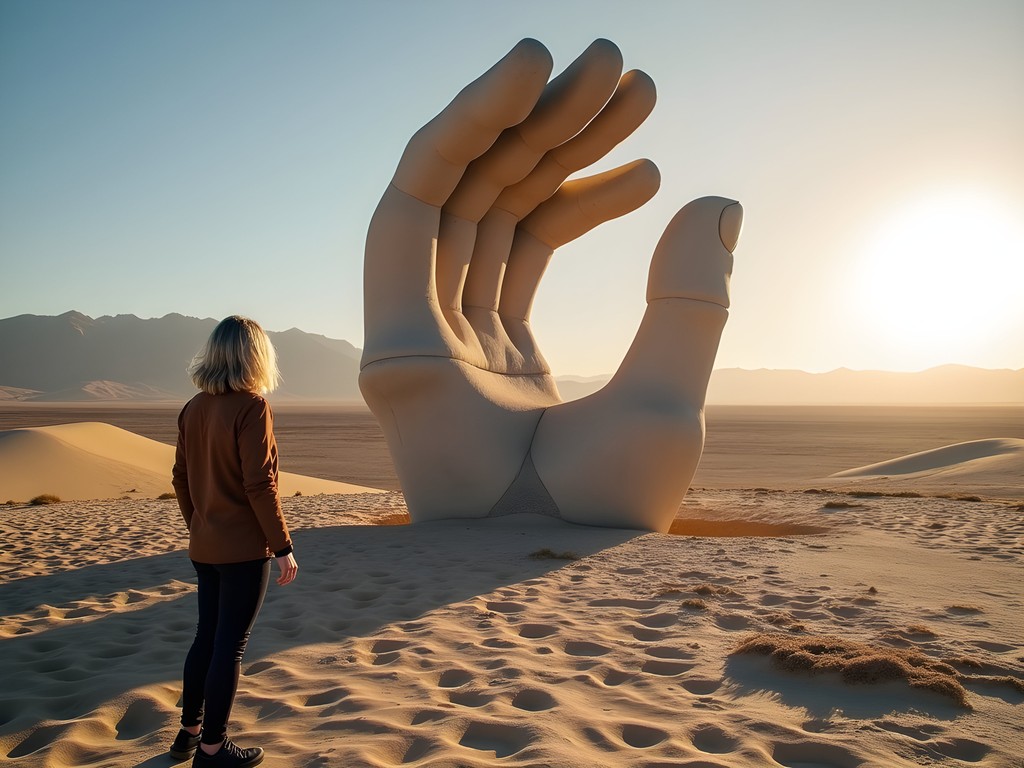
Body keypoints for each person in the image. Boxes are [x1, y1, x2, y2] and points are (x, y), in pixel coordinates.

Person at [169, 315, 299, 767]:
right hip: (244, 550)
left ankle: (188, 733)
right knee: (230, 645)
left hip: (205, 547)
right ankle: (212, 748)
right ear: (257, 355)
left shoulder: (193, 407)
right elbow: (260, 485)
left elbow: (180, 477)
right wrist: (282, 547)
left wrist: (199, 524)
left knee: (207, 637)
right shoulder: (251, 407)